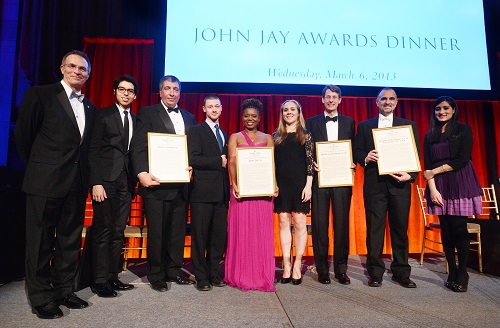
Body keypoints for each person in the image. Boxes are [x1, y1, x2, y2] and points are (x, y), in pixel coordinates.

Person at [15, 50, 96, 319]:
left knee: (70, 241)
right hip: (44, 182)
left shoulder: (89, 107)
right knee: (39, 242)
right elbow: (24, 137)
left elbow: (85, 149)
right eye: (72, 66)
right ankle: (40, 297)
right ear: (62, 68)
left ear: (88, 74)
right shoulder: (40, 95)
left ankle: (64, 291)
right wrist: (41, 169)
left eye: (82, 69)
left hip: (76, 184)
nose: (77, 71)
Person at [130, 75, 196, 292]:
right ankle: (156, 274)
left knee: (177, 231)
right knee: (157, 231)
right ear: (160, 91)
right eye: (167, 88)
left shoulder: (189, 117)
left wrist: (192, 166)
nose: (171, 93)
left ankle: (173, 270)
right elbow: (139, 145)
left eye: (175, 89)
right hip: (156, 183)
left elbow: (192, 150)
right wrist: (141, 173)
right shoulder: (148, 113)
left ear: (179, 92)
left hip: (181, 184)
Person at [353, 87, 419, 288]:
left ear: (396, 102)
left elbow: (415, 153)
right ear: (377, 102)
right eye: (383, 99)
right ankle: (375, 272)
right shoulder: (365, 126)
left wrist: (412, 175)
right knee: (375, 230)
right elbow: (356, 151)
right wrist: (366, 157)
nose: (387, 102)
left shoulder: (408, 125)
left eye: (391, 99)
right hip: (375, 186)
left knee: (400, 229)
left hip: (400, 185)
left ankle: (401, 272)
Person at [423, 96, 482, 293]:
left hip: (458, 180)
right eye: (438, 108)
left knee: (458, 228)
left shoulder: (463, 130)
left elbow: (462, 159)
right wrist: (432, 189)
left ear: (454, 110)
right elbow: (427, 166)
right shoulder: (429, 135)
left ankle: (463, 273)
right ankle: (452, 270)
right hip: (438, 186)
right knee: (446, 231)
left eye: (446, 108)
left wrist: (435, 173)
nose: (441, 112)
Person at [88, 75, 139, 297]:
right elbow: (93, 150)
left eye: (130, 90)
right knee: (103, 230)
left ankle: (112, 276)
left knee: (118, 231)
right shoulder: (102, 115)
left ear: (135, 95)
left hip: (126, 182)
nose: (126, 93)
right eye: (122, 89)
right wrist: (96, 182)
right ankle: (99, 280)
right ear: (114, 92)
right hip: (105, 181)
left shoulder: (137, 120)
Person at [225, 98, 277, 292]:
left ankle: (261, 275)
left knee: (260, 234)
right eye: (246, 116)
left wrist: (274, 184)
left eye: (253, 116)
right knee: (242, 232)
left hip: (262, 192)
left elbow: (271, 163)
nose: (250, 119)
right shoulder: (235, 137)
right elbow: (232, 162)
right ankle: (241, 274)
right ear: (242, 117)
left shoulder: (268, 138)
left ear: (259, 118)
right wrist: (235, 184)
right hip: (241, 192)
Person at [306, 85, 355, 285]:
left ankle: (341, 270)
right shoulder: (311, 122)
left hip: (342, 180)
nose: (331, 100)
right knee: (319, 226)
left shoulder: (350, 122)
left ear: (340, 100)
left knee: (342, 225)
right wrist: (312, 163)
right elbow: (307, 150)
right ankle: (322, 270)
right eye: (328, 97)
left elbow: (355, 148)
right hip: (320, 180)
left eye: (335, 97)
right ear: (322, 99)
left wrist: (353, 161)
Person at [187, 95, 230, 291]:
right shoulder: (196, 131)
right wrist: (217, 161)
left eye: (217, 106)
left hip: (221, 194)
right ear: (203, 109)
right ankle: (201, 277)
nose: (214, 109)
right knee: (200, 237)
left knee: (218, 237)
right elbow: (193, 158)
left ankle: (214, 273)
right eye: (210, 106)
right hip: (201, 193)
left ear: (221, 109)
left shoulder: (225, 133)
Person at [273, 100, 314, 285]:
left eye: (292, 109)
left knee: (299, 223)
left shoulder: (306, 135)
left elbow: (310, 164)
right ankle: (287, 265)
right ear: (282, 113)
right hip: (282, 186)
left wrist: (308, 186)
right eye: (286, 110)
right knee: (283, 222)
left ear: (299, 112)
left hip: (300, 185)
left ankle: (297, 264)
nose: (289, 113)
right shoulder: (276, 137)